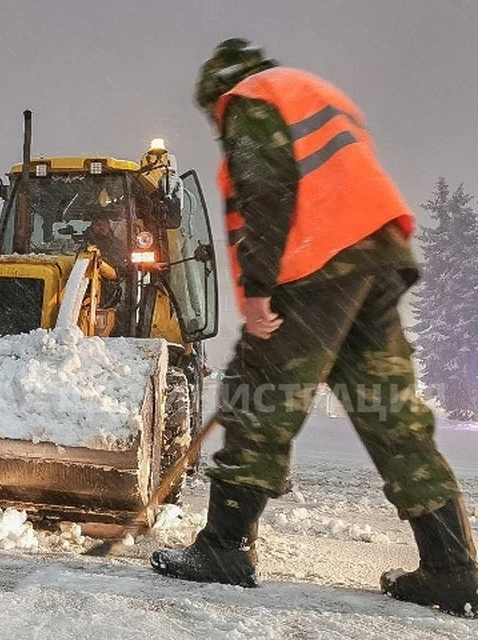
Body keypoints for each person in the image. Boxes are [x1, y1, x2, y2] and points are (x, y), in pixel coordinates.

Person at [151, 38, 478, 617]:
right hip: (377, 257)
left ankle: (225, 548)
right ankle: (453, 568)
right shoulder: (310, 91)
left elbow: (267, 189)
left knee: (259, 394)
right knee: (391, 411)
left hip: (316, 260)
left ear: (216, 92)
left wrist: (257, 291)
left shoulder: (250, 100)